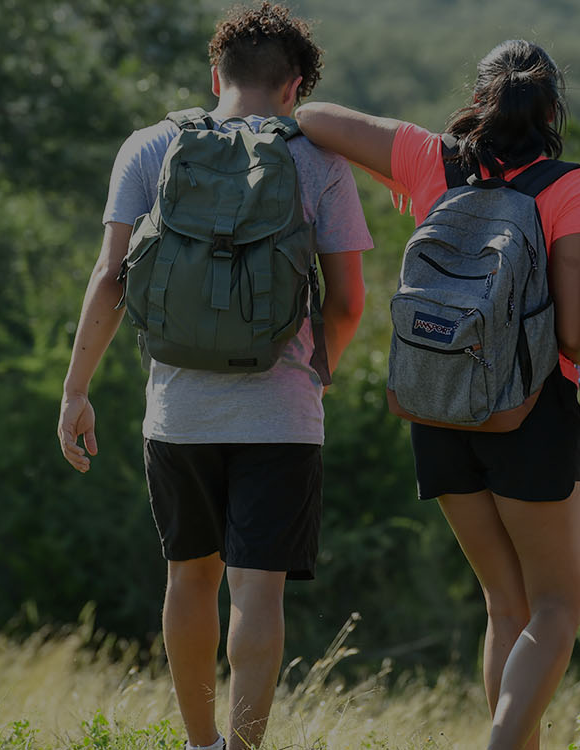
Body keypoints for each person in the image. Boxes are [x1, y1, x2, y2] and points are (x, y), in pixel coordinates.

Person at [56, 4, 372, 749]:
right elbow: (350, 301)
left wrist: (77, 389)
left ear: (215, 74)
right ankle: (243, 747)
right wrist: (317, 373)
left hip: (178, 411)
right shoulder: (318, 159)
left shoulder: (151, 146)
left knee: (188, 579)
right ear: (295, 86)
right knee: (256, 591)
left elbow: (110, 278)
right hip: (280, 413)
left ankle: (198, 745)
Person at [296, 39, 580, 750]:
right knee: (555, 609)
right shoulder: (568, 188)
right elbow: (579, 335)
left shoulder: (430, 158)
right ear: (553, 109)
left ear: (480, 99)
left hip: (435, 403)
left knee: (506, 605)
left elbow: (313, 116)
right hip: (528, 413)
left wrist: (423, 147)